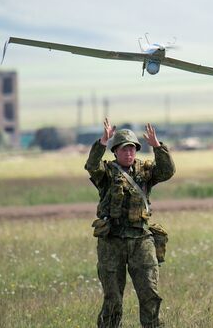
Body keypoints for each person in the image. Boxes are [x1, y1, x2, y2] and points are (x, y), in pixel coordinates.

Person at [85, 118, 176, 328]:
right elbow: (91, 166)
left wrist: (158, 147)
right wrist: (102, 142)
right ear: (115, 151)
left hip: (141, 241)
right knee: (113, 298)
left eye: (132, 149)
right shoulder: (106, 173)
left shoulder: (145, 172)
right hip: (112, 241)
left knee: (150, 295)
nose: (129, 153)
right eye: (124, 149)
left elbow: (167, 171)